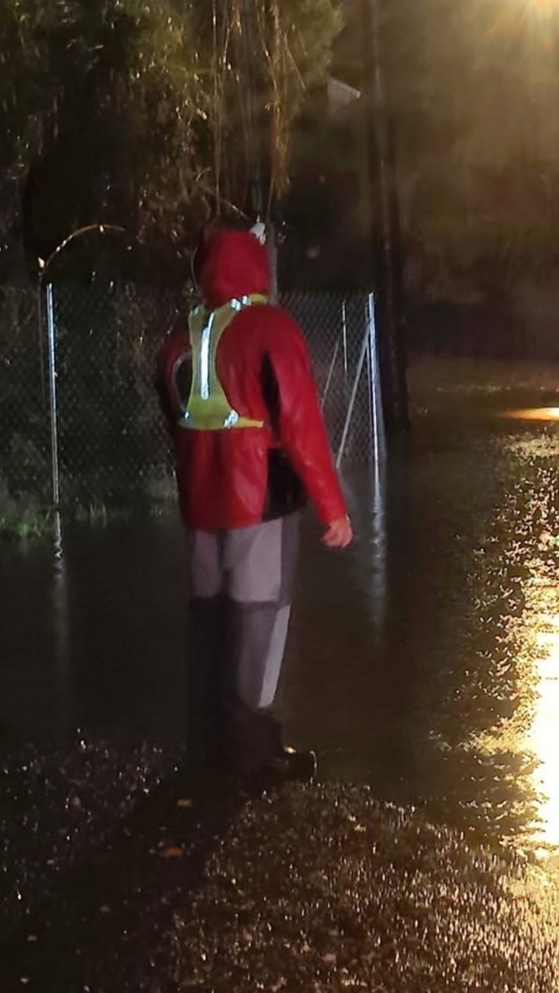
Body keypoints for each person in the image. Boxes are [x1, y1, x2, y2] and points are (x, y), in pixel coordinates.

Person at [157, 224, 353, 786]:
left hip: (200, 501)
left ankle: (207, 746)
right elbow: (301, 424)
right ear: (256, 266)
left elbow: (171, 405)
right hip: (259, 500)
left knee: (209, 619)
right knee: (258, 617)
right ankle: (254, 756)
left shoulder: (184, 335)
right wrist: (331, 507)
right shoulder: (271, 327)